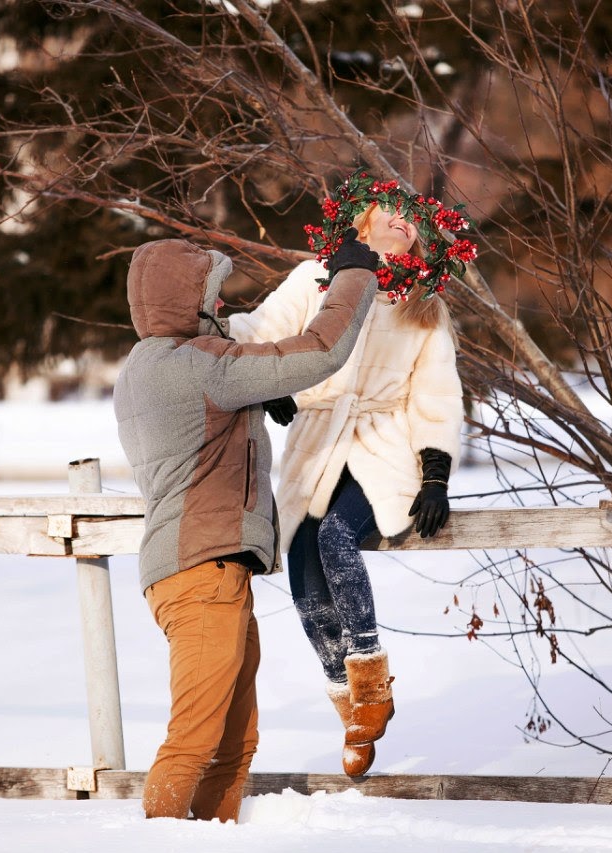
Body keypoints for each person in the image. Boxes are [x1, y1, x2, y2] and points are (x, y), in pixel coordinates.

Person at [113, 231, 380, 822]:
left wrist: (260, 393)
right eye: (213, 297)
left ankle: (210, 834)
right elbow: (321, 350)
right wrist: (353, 275)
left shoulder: (142, 366)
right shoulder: (197, 366)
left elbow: (210, 418)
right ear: (188, 302)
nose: (224, 308)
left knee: (234, 748)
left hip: (204, 574)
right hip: (203, 576)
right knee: (192, 745)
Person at [226, 187, 465, 777]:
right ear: (363, 217)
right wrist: (273, 381)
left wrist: (435, 475)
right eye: (392, 210)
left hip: (384, 446)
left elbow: (435, 393)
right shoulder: (315, 277)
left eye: (414, 220)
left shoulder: (423, 305)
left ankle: (371, 674)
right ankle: (347, 696)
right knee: (303, 563)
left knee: (336, 537)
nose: (402, 223)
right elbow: (261, 331)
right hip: (316, 442)